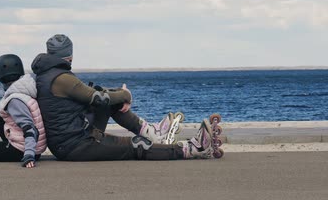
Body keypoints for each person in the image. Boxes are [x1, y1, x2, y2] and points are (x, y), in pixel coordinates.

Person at [32, 34, 219, 161]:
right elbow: (98, 98)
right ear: (70, 56)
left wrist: (118, 97)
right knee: (135, 146)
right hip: (75, 145)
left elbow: (97, 95)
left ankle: (153, 133)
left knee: (110, 102)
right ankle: (192, 150)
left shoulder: (49, 75)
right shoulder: (62, 78)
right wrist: (126, 94)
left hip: (75, 136)